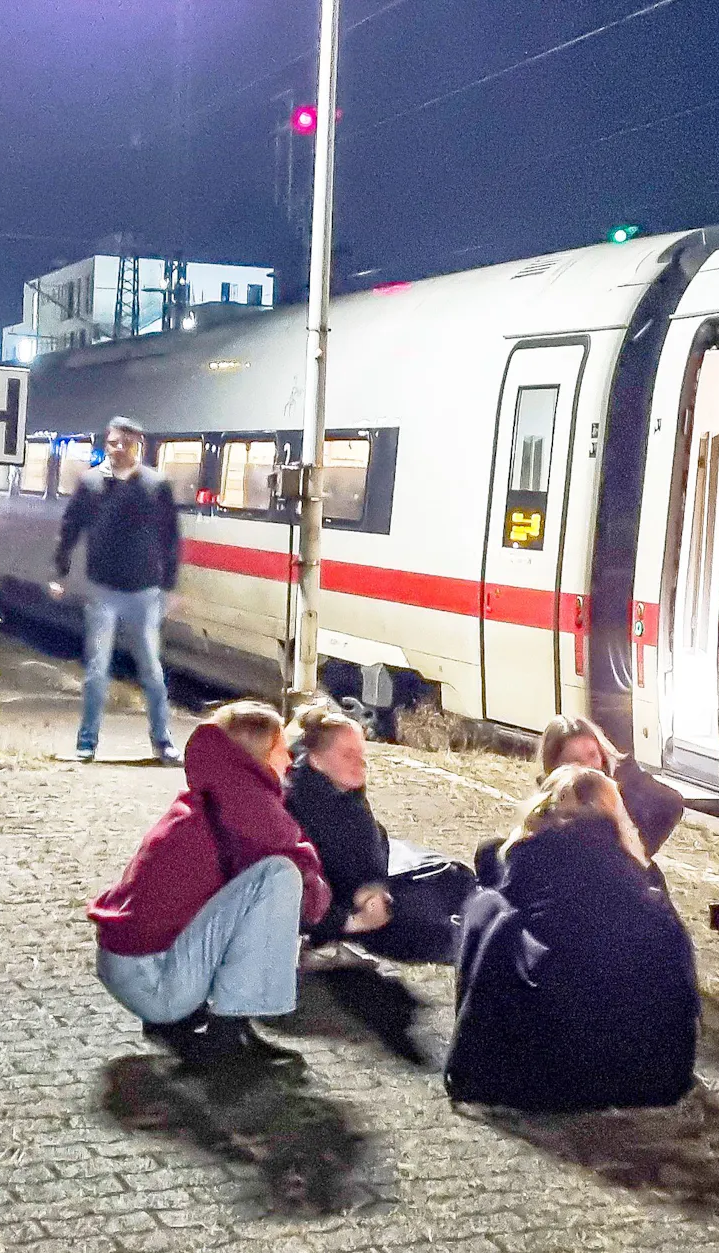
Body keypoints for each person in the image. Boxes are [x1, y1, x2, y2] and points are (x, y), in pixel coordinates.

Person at [90, 701, 332, 1071]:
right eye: (282, 749)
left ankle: (223, 1024)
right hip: (153, 982)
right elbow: (304, 885)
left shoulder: (214, 795)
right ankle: (227, 1036)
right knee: (281, 878)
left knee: (257, 893)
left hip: (132, 967)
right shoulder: (247, 806)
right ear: (259, 755)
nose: (289, 760)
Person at [445, 765, 699, 1112]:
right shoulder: (637, 868)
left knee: (487, 908)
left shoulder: (529, 851)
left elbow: (511, 910)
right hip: (652, 1074)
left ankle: (477, 1052)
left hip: (559, 1071)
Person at [284, 702, 477, 966]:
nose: (359, 763)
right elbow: (302, 892)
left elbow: (370, 845)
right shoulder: (301, 806)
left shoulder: (343, 789)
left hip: (376, 885)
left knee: (454, 879)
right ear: (316, 760)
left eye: (361, 753)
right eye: (347, 755)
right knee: (429, 925)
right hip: (351, 910)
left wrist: (376, 885)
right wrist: (350, 918)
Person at [51, 417, 182, 765]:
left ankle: (163, 741)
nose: (117, 449)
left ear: (137, 445)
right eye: (112, 442)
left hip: (145, 592)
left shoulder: (156, 486)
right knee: (97, 672)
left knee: (151, 672)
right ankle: (87, 742)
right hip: (103, 590)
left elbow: (171, 538)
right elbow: (70, 527)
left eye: (124, 443)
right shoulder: (91, 484)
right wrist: (60, 571)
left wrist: (169, 585)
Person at [535, 715, 685, 857]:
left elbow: (672, 802)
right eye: (575, 761)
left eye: (592, 755)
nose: (588, 768)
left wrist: (637, 852)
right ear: (554, 768)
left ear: (602, 753)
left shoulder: (621, 784)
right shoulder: (544, 817)